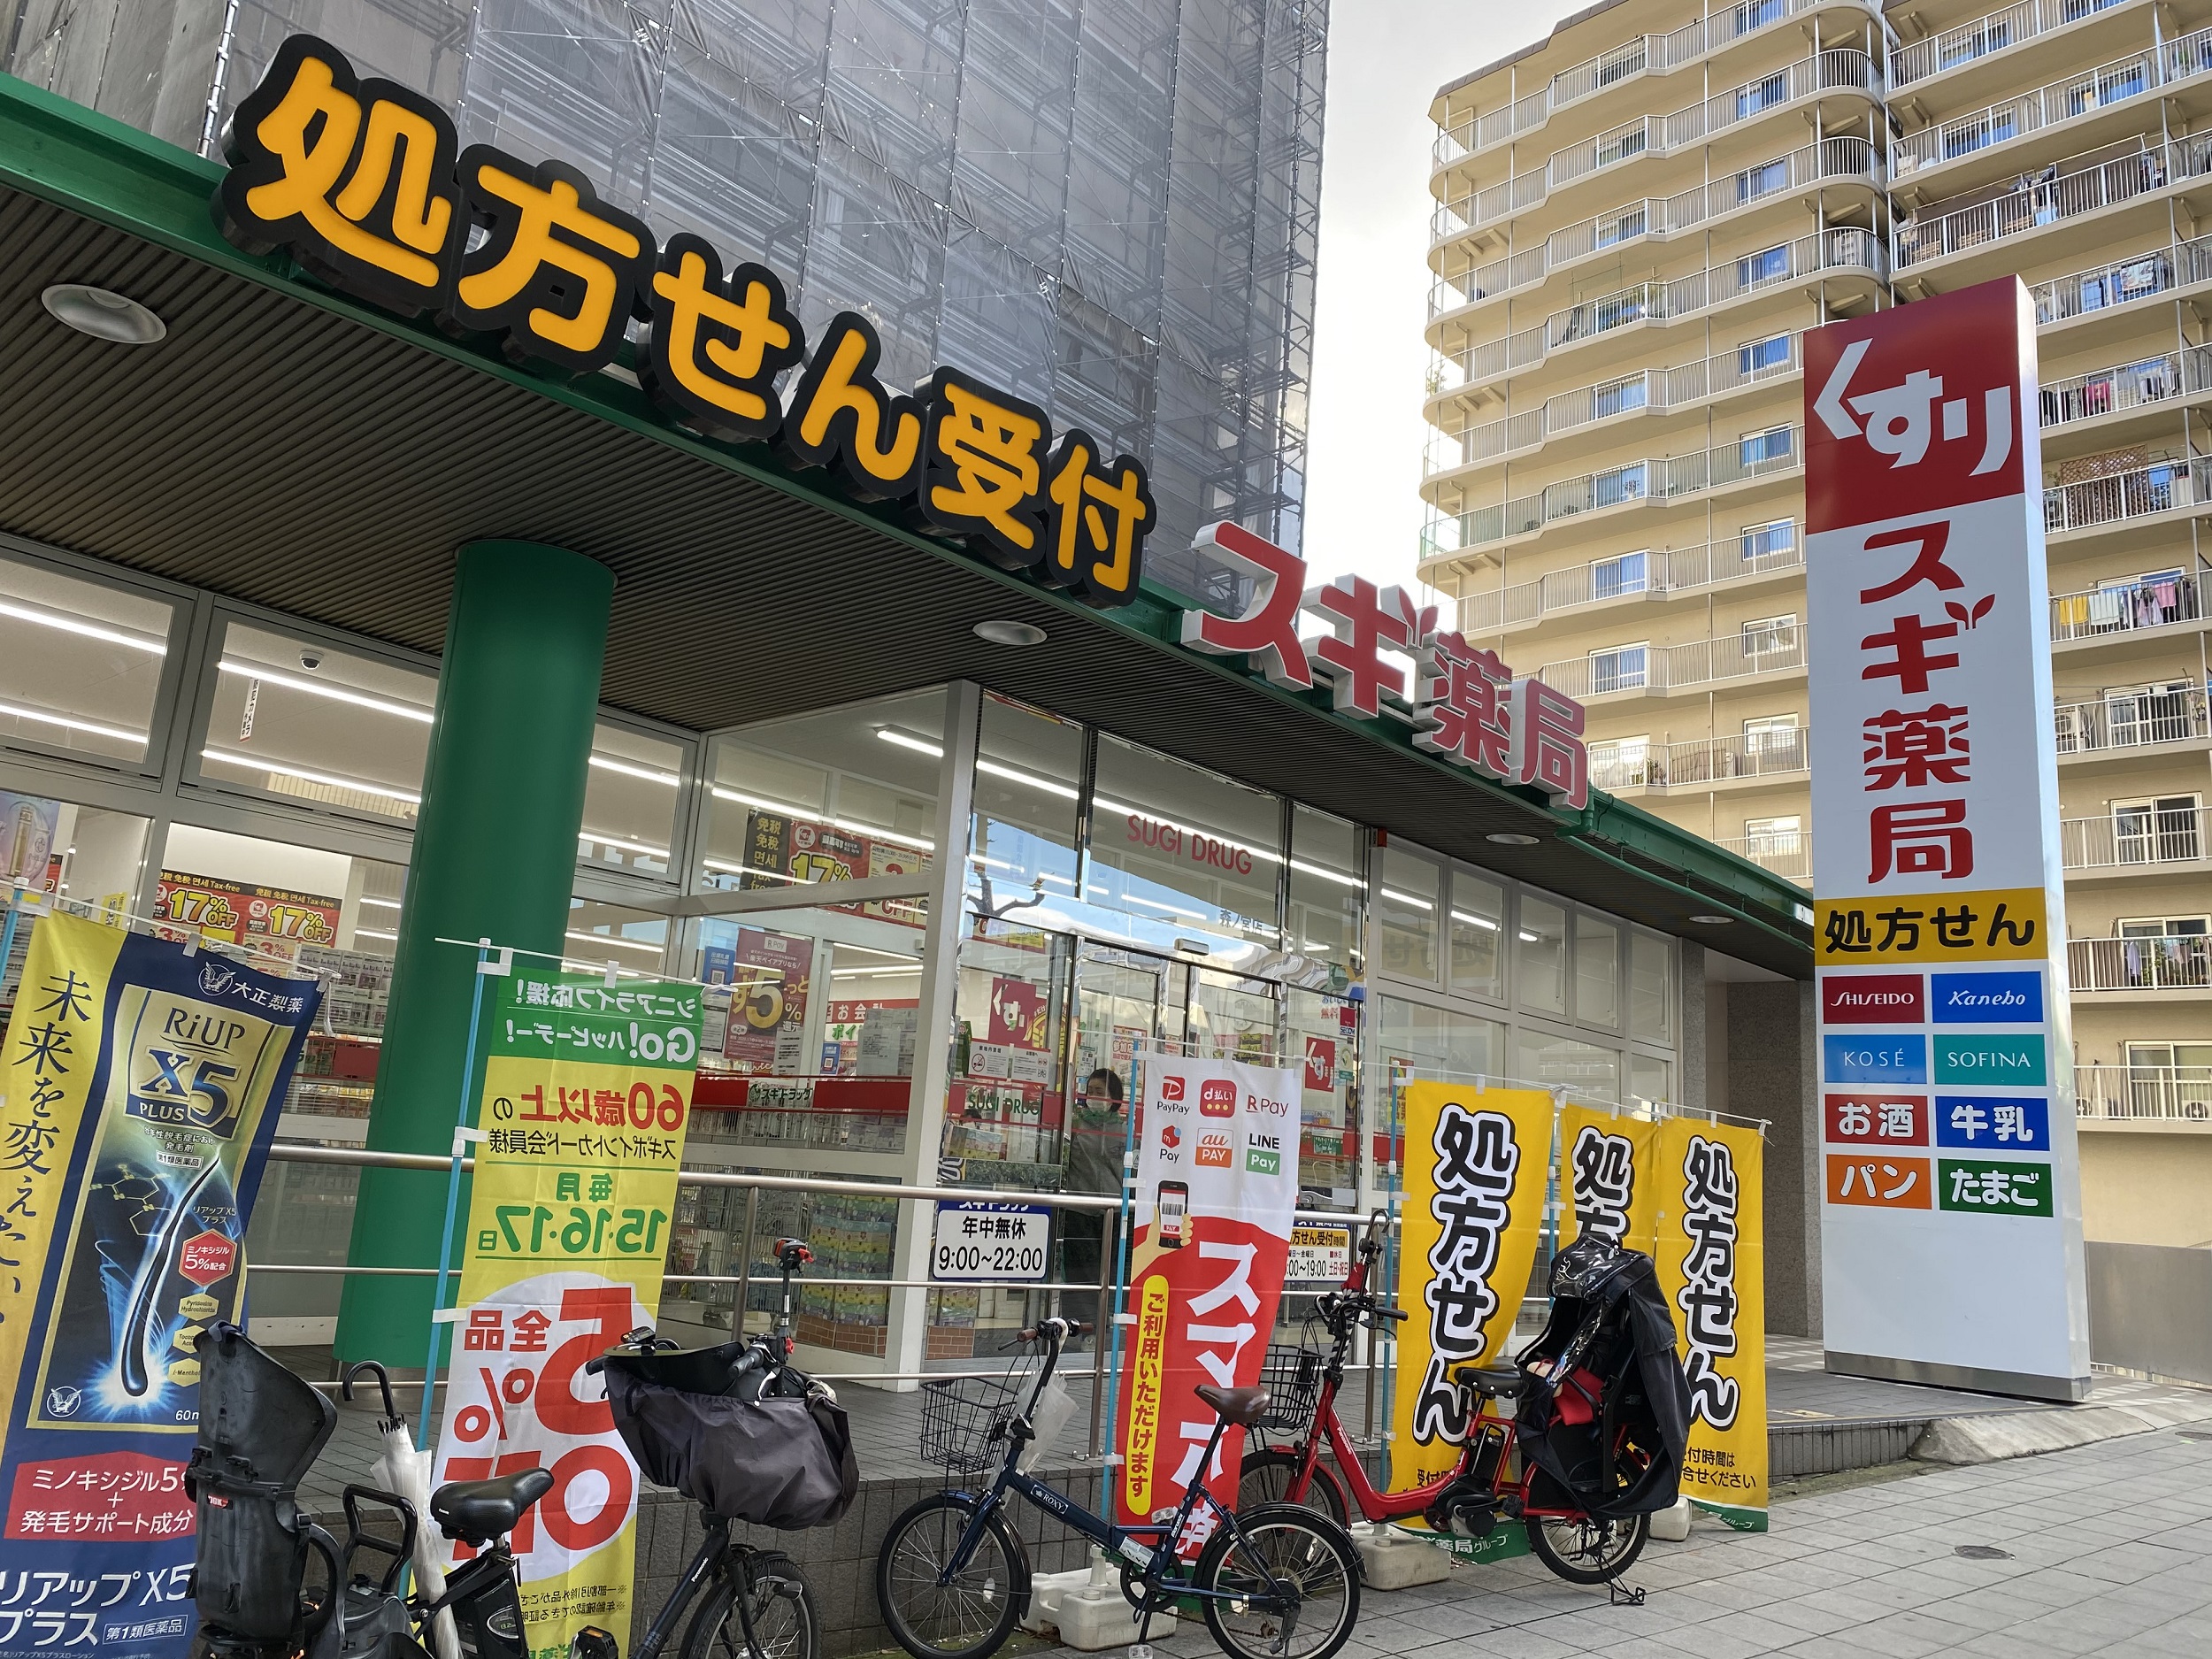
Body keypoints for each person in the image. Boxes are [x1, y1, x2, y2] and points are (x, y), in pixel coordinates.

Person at [1060, 1067, 1127, 1341]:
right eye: (1090, 1091)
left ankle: (1108, 1326)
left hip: (1115, 1211)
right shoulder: (1075, 1124)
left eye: (1100, 1092)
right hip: (1080, 1209)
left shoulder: (1125, 1130)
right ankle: (1083, 1329)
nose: (1094, 1096)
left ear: (1114, 1096)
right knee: (1082, 1273)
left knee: (1111, 1272)